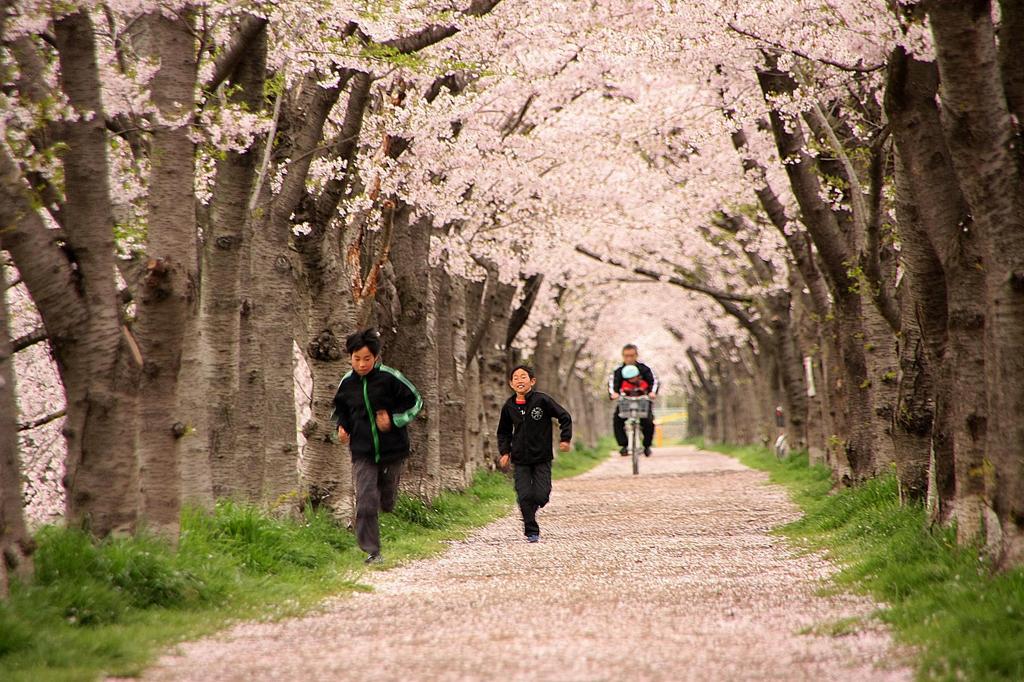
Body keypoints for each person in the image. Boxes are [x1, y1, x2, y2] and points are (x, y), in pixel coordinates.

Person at [331, 328, 423, 564]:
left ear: (376, 357)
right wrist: (342, 427)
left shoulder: (390, 378)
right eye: (356, 359)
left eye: (367, 359)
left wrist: (394, 420)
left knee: (387, 498)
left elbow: (416, 401)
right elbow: (340, 410)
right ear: (350, 357)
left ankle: (388, 500)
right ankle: (373, 550)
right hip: (362, 451)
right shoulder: (347, 383)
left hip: (393, 449)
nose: (361, 364)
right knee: (365, 498)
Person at [496, 365, 572, 543]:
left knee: (541, 495)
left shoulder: (542, 400)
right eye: (515, 378)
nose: (519, 380)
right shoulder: (509, 406)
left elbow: (564, 416)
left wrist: (565, 439)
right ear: (510, 384)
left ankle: (530, 509)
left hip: (542, 456)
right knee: (523, 495)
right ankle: (531, 530)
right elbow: (504, 431)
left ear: (532, 381)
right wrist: (505, 452)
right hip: (520, 458)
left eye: (523, 377)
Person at [608, 343, 659, 456]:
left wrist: (652, 393)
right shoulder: (618, 371)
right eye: (626, 356)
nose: (629, 358)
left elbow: (654, 381)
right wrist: (614, 394)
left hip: (643, 401)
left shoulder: (645, 369)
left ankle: (646, 445)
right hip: (625, 402)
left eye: (631, 355)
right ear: (623, 356)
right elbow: (612, 384)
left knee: (649, 421)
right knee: (617, 419)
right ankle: (624, 445)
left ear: (636, 355)